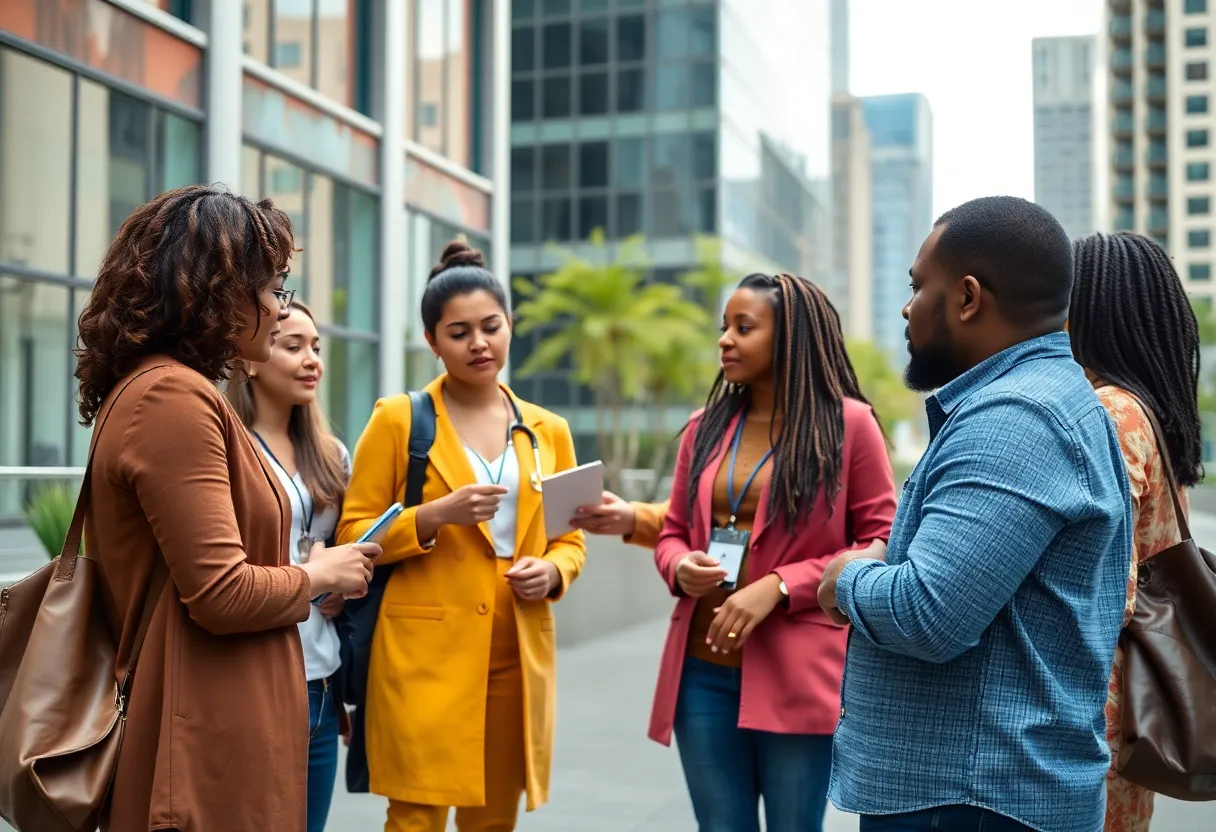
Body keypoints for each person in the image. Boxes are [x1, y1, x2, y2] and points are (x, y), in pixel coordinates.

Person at [818, 196, 1133, 832]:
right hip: (979, 792)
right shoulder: (1037, 402)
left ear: (966, 297)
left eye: (916, 286)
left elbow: (927, 613)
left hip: (970, 798)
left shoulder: (1015, 418)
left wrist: (845, 577)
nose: (906, 308)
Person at [72, 185, 378, 832]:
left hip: (214, 735)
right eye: (271, 290)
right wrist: (324, 573)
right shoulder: (172, 400)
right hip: (200, 754)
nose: (276, 308)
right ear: (217, 293)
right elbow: (222, 593)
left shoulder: (167, 390)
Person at [337, 241, 587, 832]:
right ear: (432, 341)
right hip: (424, 651)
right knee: (416, 818)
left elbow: (572, 540)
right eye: (459, 332)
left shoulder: (550, 431)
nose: (478, 343)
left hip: (517, 649)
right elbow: (354, 532)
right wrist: (433, 515)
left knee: (493, 819)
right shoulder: (399, 418)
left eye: (490, 327)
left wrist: (553, 571)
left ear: (510, 326)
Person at [648, 272, 896, 832]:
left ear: (790, 338)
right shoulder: (702, 428)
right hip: (701, 671)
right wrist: (679, 564)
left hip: (798, 673)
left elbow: (881, 542)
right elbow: (670, 533)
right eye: (724, 327)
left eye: (744, 327)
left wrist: (783, 585)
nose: (725, 340)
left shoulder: (850, 425)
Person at [1069, 232, 1203, 832]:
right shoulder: (1153, 411)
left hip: (1096, 708)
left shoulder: (1112, 411)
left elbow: (1103, 581)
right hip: (1128, 706)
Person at [227, 300, 352, 832]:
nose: (312, 361)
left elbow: (338, 551)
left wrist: (342, 583)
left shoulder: (333, 454)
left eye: (317, 349)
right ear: (251, 359)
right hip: (255, 682)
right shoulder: (227, 448)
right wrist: (312, 575)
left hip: (320, 682)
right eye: (293, 346)